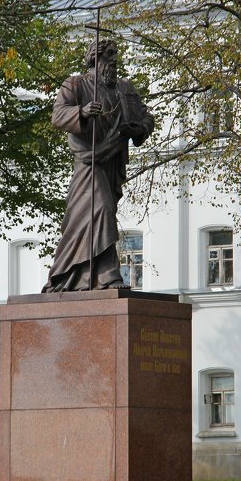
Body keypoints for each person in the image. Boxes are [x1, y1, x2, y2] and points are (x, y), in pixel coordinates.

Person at [42, 38, 154, 292]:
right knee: (98, 210)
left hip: (112, 162)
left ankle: (85, 277)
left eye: (116, 54)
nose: (114, 59)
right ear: (94, 58)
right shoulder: (76, 84)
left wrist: (138, 127)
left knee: (96, 216)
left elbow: (146, 117)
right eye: (108, 54)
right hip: (88, 161)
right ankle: (101, 275)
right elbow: (58, 115)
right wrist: (81, 112)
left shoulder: (123, 89)